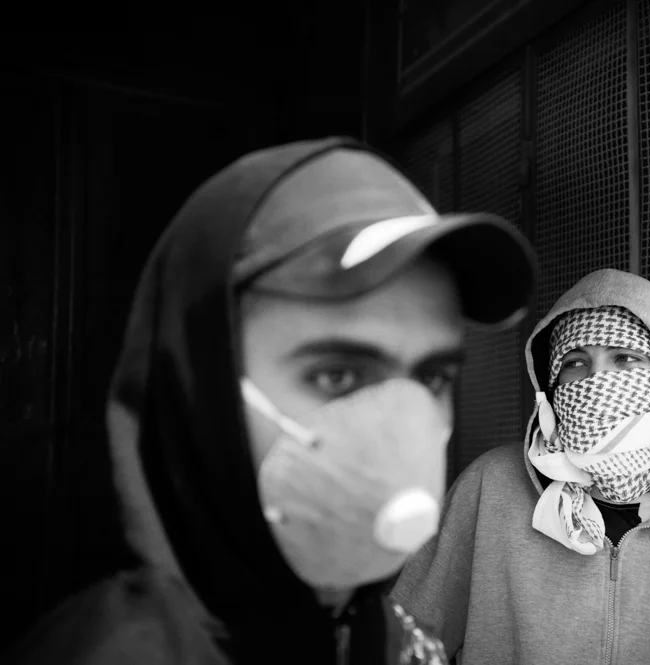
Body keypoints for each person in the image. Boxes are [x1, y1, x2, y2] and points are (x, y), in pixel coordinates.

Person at [3, 137, 536, 665]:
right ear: (199, 390)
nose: (401, 429)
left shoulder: (386, 639)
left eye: (432, 377)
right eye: (337, 375)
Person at [391, 268, 650, 664]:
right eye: (575, 363)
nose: (598, 381)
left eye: (625, 358)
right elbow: (403, 640)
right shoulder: (492, 488)